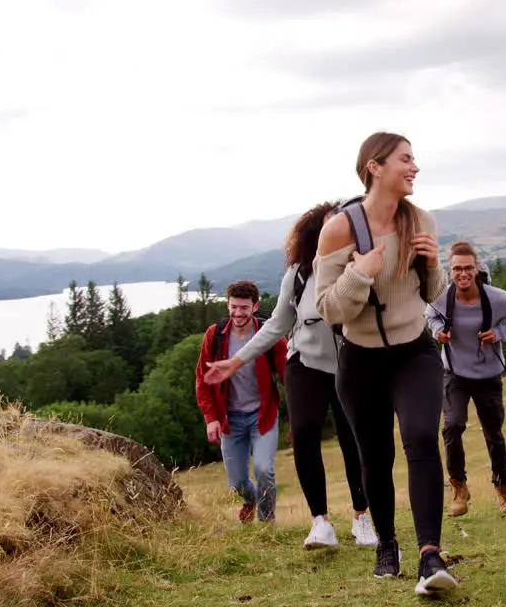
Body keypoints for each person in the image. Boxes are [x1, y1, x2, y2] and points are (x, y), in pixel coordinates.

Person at [313, 131, 458, 597]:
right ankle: (387, 545)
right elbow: (328, 310)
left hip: (414, 353)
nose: (414, 167)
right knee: (375, 458)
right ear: (374, 166)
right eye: (405, 159)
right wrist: (360, 273)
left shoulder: (422, 221)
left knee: (420, 439)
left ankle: (430, 554)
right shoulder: (340, 229)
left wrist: (434, 266)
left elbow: (432, 292)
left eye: (414, 159)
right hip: (360, 363)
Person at [203, 202, 378, 550]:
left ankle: (362, 517)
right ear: (316, 233)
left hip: (350, 365)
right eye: (331, 227)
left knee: (352, 439)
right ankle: (320, 523)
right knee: (305, 433)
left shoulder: (360, 266)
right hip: (305, 364)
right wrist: (236, 361)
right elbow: (276, 326)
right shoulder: (297, 275)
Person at [425, 240, 506, 516]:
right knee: (452, 426)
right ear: (451, 270)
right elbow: (431, 317)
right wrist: (439, 332)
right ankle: (459, 488)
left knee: (494, 434)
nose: (462, 274)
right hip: (455, 374)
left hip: (488, 376)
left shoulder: (496, 298)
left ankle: (503, 490)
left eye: (468, 268)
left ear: (476, 269)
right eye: (457, 268)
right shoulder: (443, 297)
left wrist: (499, 333)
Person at [194, 280, 288, 523]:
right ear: (227, 305)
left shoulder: (270, 337)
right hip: (230, 421)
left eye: (244, 307)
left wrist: (300, 417)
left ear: (255, 307)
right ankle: (250, 499)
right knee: (236, 482)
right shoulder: (214, 335)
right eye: (233, 307)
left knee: (264, 470)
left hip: (263, 416)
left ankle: (267, 523)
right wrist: (211, 418)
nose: (238, 313)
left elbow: (290, 375)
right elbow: (202, 380)